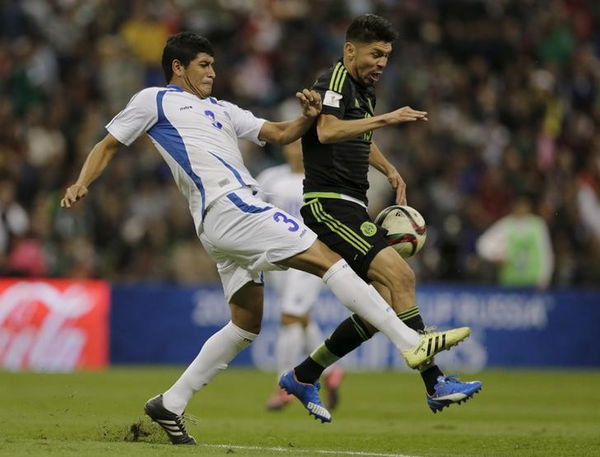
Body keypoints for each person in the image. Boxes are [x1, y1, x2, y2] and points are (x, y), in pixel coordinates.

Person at [61, 31, 471, 445]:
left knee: (245, 324)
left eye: (214, 65)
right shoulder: (154, 99)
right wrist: (82, 182)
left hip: (221, 223)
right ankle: (411, 343)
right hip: (231, 206)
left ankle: (171, 402)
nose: (212, 73)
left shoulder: (221, 110)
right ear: (178, 68)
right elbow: (108, 144)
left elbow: (278, 132)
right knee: (329, 258)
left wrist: (308, 116)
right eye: (203, 65)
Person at [280, 14, 482, 417]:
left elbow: (358, 136)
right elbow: (327, 131)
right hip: (328, 203)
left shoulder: (363, 89)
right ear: (350, 49)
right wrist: (388, 118)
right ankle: (435, 381)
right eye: (375, 53)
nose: (382, 62)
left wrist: (387, 168)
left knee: (382, 305)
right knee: (401, 276)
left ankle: (303, 375)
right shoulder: (335, 79)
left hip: (353, 203)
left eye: (387, 55)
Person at [256, 140, 344, 411]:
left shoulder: (321, 178)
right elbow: (253, 211)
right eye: (292, 144)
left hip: (309, 256)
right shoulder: (271, 178)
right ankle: (332, 372)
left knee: (289, 317)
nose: (296, 149)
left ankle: (284, 386)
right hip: (278, 257)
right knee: (300, 318)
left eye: (301, 145)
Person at [477, 194, 554, 288]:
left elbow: (545, 252)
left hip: (533, 282)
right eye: (518, 205)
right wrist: (495, 256)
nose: (521, 209)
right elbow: (483, 244)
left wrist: (545, 278)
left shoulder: (538, 225)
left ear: (529, 207)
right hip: (510, 281)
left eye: (523, 205)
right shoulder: (506, 224)